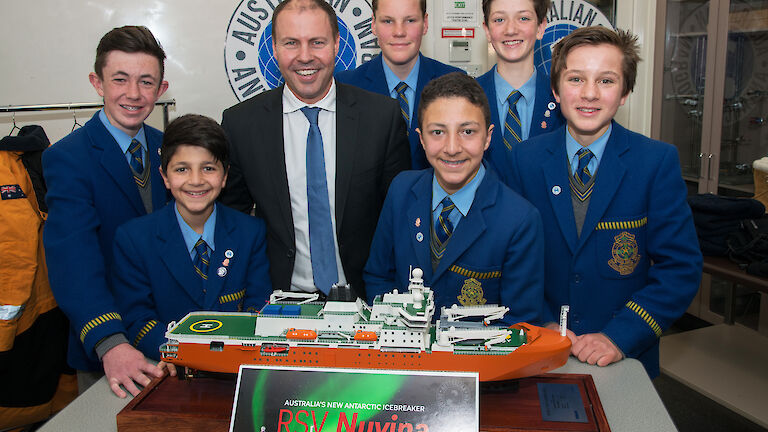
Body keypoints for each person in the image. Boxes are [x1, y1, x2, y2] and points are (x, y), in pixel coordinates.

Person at [506, 26, 702, 378]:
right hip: (538, 349)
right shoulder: (524, 160)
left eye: (607, 81)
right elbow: (511, 261)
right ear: (555, 89)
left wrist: (619, 336)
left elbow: (680, 268)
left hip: (624, 357)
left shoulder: (655, 162)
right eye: (576, 79)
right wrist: (541, 322)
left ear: (625, 92)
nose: (590, 94)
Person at [219, 0, 411, 300]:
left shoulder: (381, 118)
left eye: (317, 42)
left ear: (336, 44)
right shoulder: (241, 124)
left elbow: (401, 218)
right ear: (274, 47)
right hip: (276, 300)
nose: (304, 57)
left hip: (366, 300)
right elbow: (231, 223)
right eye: (291, 43)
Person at [42, 25, 171, 397]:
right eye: (120, 79)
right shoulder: (67, 158)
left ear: (161, 90)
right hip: (110, 352)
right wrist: (110, 343)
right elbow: (73, 261)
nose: (133, 94)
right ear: (97, 83)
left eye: (146, 82)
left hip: (169, 340)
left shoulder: (172, 150)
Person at [364, 72, 544, 322]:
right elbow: (378, 276)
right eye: (437, 132)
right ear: (422, 139)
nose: (451, 148)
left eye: (467, 131)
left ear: (488, 137)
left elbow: (520, 320)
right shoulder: (401, 190)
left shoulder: (519, 220)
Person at [112, 114, 272, 361]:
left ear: (225, 175)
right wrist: (182, 353)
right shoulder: (134, 239)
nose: (196, 181)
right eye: (182, 169)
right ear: (165, 176)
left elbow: (258, 306)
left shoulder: (250, 232)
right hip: (168, 365)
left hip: (236, 363)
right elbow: (137, 318)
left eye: (208, 168)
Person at [0, 125, 76, 430]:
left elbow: (13, 260)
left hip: (41, 313)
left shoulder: (17, 170)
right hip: (41, 312)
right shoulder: (14, 170)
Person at [335, 0, 464, 170]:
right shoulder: (347, 85)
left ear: (425, 24)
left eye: (410, 20)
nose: (399, 32)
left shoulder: (454, 81)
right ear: (373, 24)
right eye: (388, 21)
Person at [476, 0, 564, 185]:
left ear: (541, 27)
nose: (511, 29)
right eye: (499, 19)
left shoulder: (564, 100)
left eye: (523, 18)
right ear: (487, 30)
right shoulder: (467, 97)